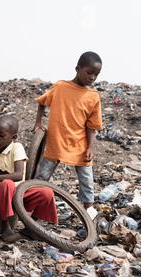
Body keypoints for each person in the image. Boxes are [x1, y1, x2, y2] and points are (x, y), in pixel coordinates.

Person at [34, 51, 103, 215]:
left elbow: (92, 127)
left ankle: (89, 212)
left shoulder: (93, 97)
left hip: (79, 144)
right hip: (56, 142)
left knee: (86, 180)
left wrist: (90, 148)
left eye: (96, 74)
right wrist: (38, 123)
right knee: (41, 178)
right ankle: (31, 207)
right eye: (89, 73)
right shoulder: (60, 87)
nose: (92, 77)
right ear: (77, 68)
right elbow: (42, 102)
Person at [0, 115, 58, 243]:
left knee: (46, 192)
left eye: (1, 136)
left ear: (13, 137)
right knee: (7, 184)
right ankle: (6, 227)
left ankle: (32, 227)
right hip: (0, 198)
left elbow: (19, 175)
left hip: (20, 194)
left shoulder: (17, 147)